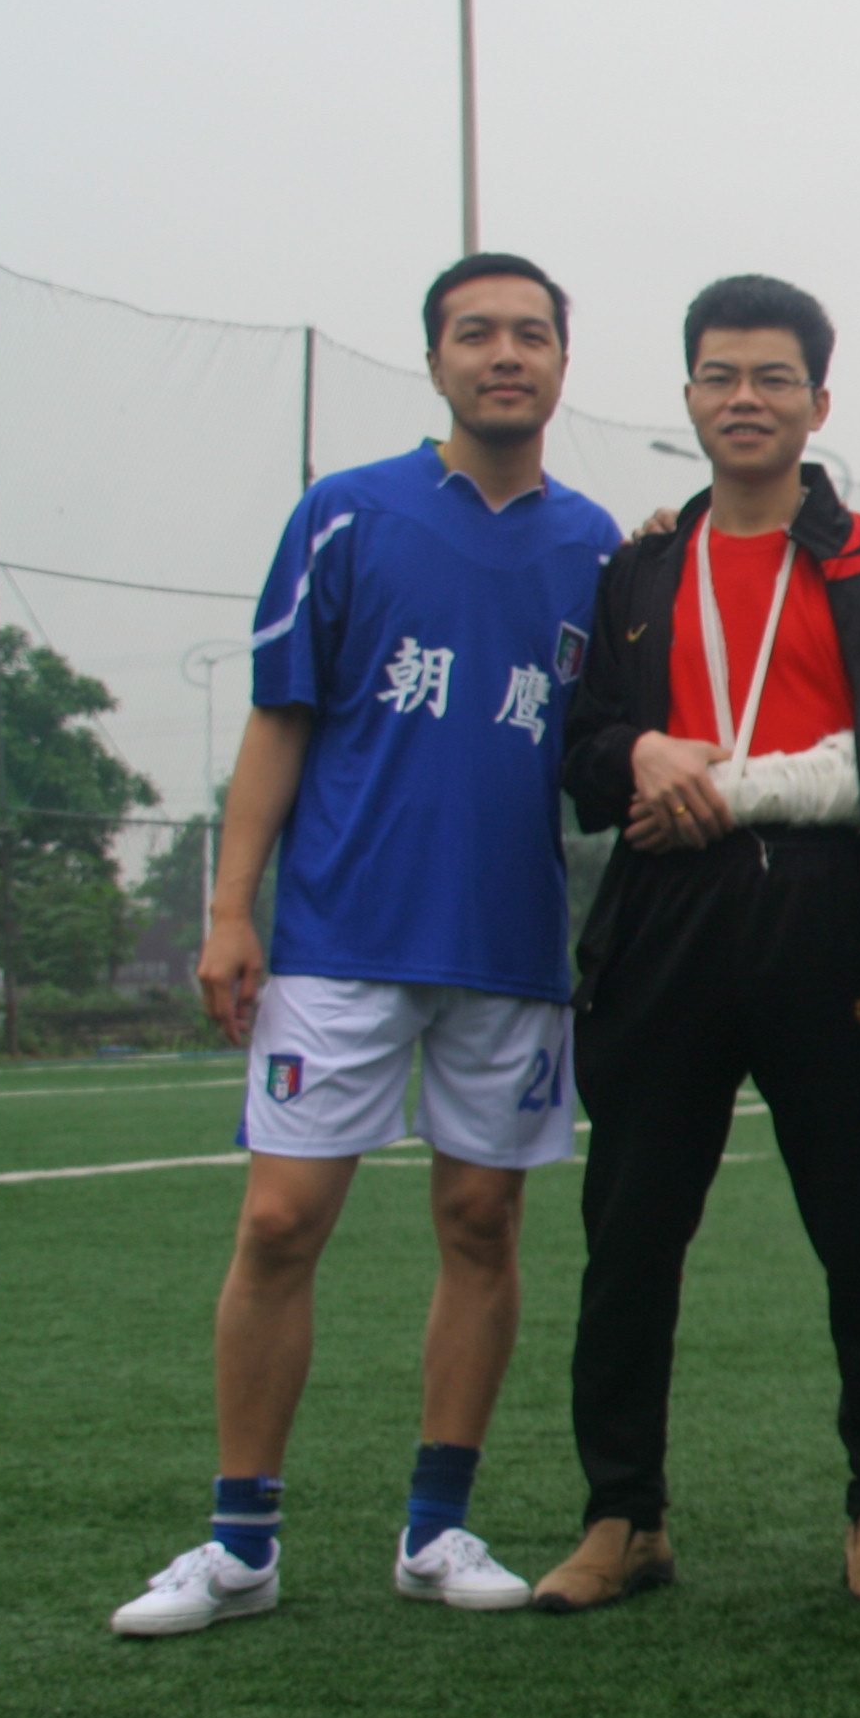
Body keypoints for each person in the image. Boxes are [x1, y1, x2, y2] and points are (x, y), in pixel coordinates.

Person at [112, 254, 622, 1637]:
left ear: (562, 363)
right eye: (477, 334)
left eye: (530, 335)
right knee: (281, 1222)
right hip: (341, 937)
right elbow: (281, 715)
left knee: (481, 1223)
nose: (505, 355)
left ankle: (436, 1528)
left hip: (510, 948)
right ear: (436, 359)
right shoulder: (345, 514)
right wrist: (232, 909)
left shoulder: (600, 551)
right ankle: (240, 1543)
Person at [539, 274, 860, 1614]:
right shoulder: (638, 570)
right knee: (630, 1233)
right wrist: (639, 751)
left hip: (828, 920)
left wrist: (720, 783)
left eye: (773, 377)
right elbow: (582, 753)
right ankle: (623, 1515)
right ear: (688, 397)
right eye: (720, 376)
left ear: (817, 403)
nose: (745, 399)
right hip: (667, 916)